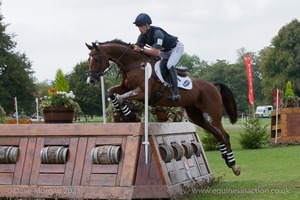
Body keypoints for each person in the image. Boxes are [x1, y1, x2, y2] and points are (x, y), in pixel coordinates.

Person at [132, 13, 184, 101]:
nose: (139, 29)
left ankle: (176, 93)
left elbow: (155, 52)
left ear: (147, 25)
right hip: (165, 51)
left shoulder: (157, 33)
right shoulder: (142, 37)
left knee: (169, 65)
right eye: (138, 27)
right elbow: (137, 48)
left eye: (141, 26)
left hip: (176, 48)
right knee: (155, 63)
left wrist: (141, 50)